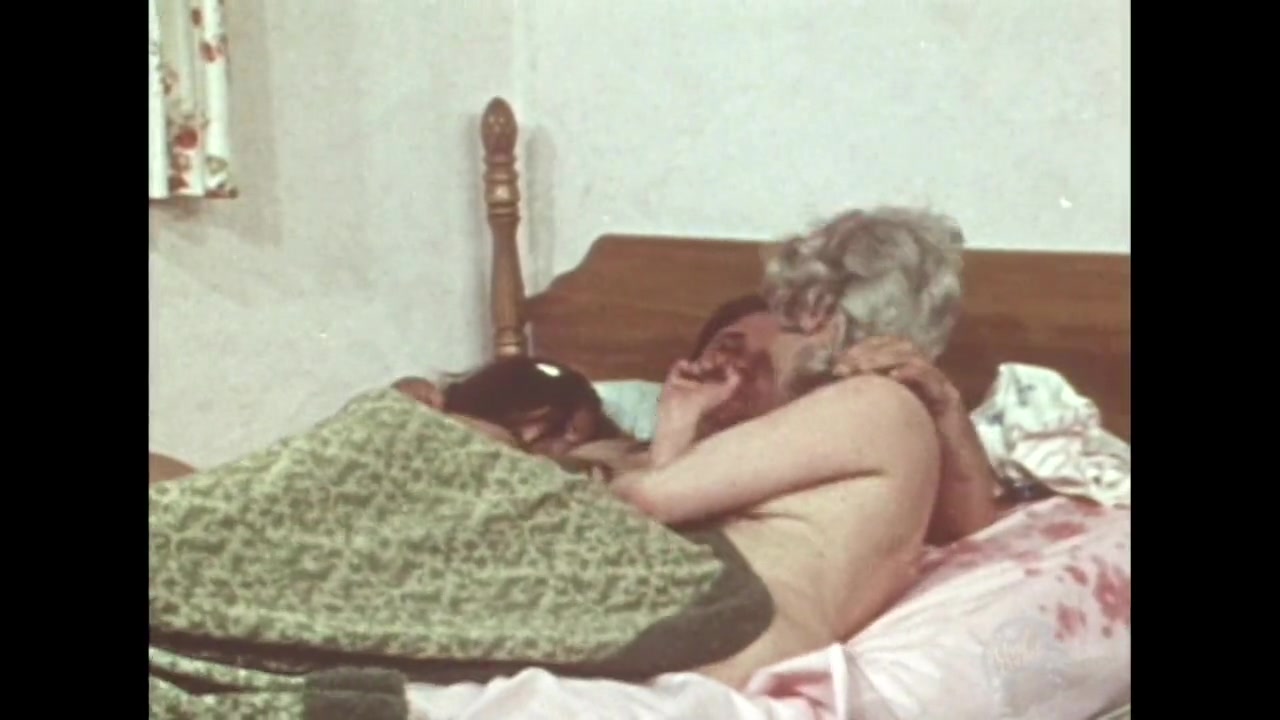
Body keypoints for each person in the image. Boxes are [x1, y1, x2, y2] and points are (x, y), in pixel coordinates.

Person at [594, 206, 1002, 687]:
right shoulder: (877, 418)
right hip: (704, 618)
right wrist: (677, 426)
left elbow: (641, 502)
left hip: (716, 619)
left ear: (817, 312)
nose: (755, 361)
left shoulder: (868, 403)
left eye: (782, 320)